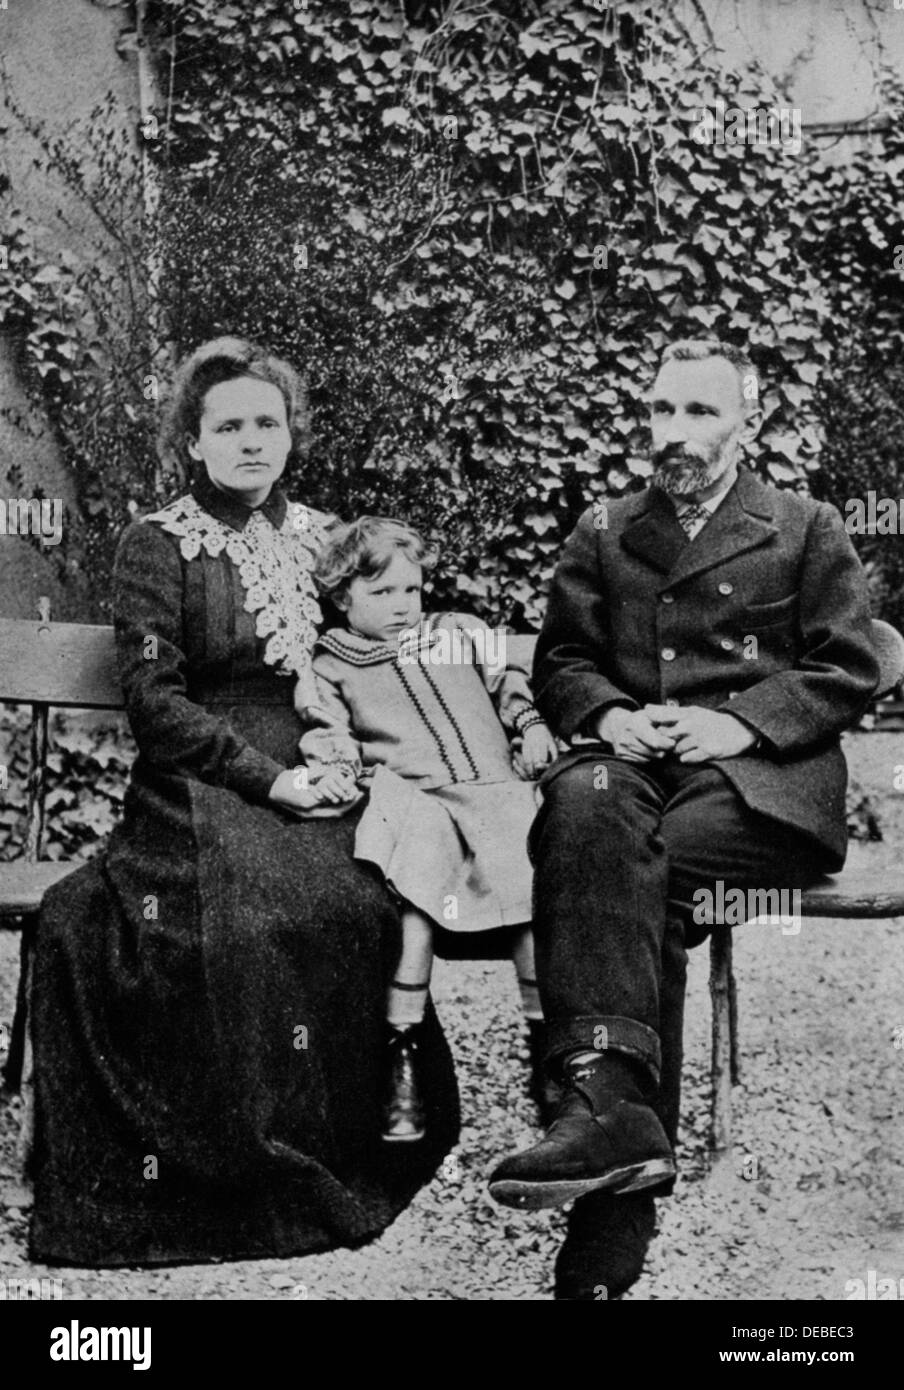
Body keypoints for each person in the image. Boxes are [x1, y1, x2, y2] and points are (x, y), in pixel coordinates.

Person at [24, 338, 459, 1267]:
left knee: (354, 895)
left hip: (325, 761)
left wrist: (349, 755)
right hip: (201, 778)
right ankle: (234, 1176)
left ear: (292, 433)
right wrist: (269, 780)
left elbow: (381, 650)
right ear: (194, 441)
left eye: (268, 422)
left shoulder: (332, 537)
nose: (252, 441)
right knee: (242, 917)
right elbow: (155, 699)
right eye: (229, 426)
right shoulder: (158, 543)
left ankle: (354, 1136)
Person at [487, 339, 879, 1300]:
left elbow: (849, 667)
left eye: (700, 414)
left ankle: (604, 1158)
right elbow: (563, 662)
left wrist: (731, 720)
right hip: (635, 766)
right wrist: (614, 716)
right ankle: (622, 1142)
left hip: (757, 781)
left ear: (750, 422)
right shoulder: (606, 529)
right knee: (584, 803)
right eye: (662, 413)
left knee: (629, 872)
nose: (677, 435)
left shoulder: (804, 526)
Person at [295, 517, 560, 1141]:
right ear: (342, 598)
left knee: (530, 884)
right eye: (381, 593)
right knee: (414, 895)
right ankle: (402, 1050)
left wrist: (530, 728)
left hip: (496, 789)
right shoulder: (333, 665)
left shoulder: (456, 634)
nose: (401, 606)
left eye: (410, 591)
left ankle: (549, 1044)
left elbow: (509, 682)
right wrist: (335, 764)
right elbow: (327, 731)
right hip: (416, 800)